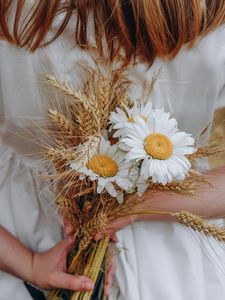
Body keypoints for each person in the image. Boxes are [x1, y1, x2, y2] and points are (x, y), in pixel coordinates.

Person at [0, 1, 225, 299]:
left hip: (17, 227)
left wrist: (27, 262)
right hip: (175, 257)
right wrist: (144, 203)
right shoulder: (209, 14)